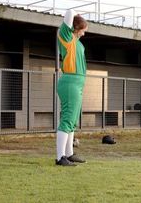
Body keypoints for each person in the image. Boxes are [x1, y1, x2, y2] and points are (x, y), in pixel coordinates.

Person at [55, 9, 88, 166]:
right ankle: (60, 157)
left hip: (78, 83)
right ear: (75, 28)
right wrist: (76, 14)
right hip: (70, 82)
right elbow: (69, 13)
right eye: (82, 30)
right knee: (67, 118)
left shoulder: (78, 43)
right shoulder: (66, 36)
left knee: (73, 120)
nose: (83, 34)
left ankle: (69, 154)